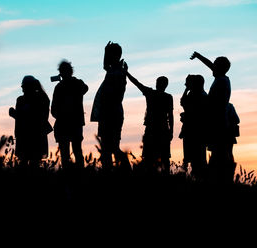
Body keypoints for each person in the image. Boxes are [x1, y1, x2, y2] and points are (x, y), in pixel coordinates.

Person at [190, 52, 235, 183]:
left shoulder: (221, 82)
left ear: (219, 68)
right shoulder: (222, 78)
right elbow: (210, 65)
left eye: (215, 65)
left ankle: (219, 180)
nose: (212, 67)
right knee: (219, 153)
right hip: (218, 122)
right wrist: (198, 56)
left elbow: (213, 102)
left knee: (219, 154)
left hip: (218, 123)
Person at [125, 70, 174, 174]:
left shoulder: (151, 93)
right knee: (164, 157)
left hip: (152, 129)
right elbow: (171, 116)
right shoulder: (167, 97)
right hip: (163, 129)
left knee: (150, 157)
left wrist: (127, 72)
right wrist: (171, 131)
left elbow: (136, 83)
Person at [91, 41, 129, 170]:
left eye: (109, 55)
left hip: (111, 114)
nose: (107, 58)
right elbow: (105, 66)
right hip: (108, 113)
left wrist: (106, 52)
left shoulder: (117, 72)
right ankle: (112, 170)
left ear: (115, 56)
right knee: (108, 148)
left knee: (110, 147)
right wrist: (105, 52)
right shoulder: (115, 69)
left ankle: (124, 167)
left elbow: (116, 95)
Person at [51, 60, 88, 168]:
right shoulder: (65, 86)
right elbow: (53, 109)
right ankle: (76, 174)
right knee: (71, 152)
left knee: (71, 152)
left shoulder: (67, 85)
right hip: (69, 123)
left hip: (70, 123)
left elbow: (85, 88)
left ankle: (73, 175)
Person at [9, 75, 52, 167]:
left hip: (34, 135)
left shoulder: (40, 98)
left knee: (32, 162)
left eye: (24, 87)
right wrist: (15, 113)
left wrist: (14, 113)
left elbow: (34, 117)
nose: (22, 89)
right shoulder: (22, 100)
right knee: (28, 162)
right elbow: (22, 117)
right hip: (25, 135)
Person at [179, 74, 208, 178]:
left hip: (195, 132)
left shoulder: (199, 95)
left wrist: (186, 115)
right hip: (190, 130)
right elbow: (183, 102)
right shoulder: (195, 94)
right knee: (192, 158)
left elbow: (184, 103)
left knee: (198, 159)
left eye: (188, 83)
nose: (186, 85)